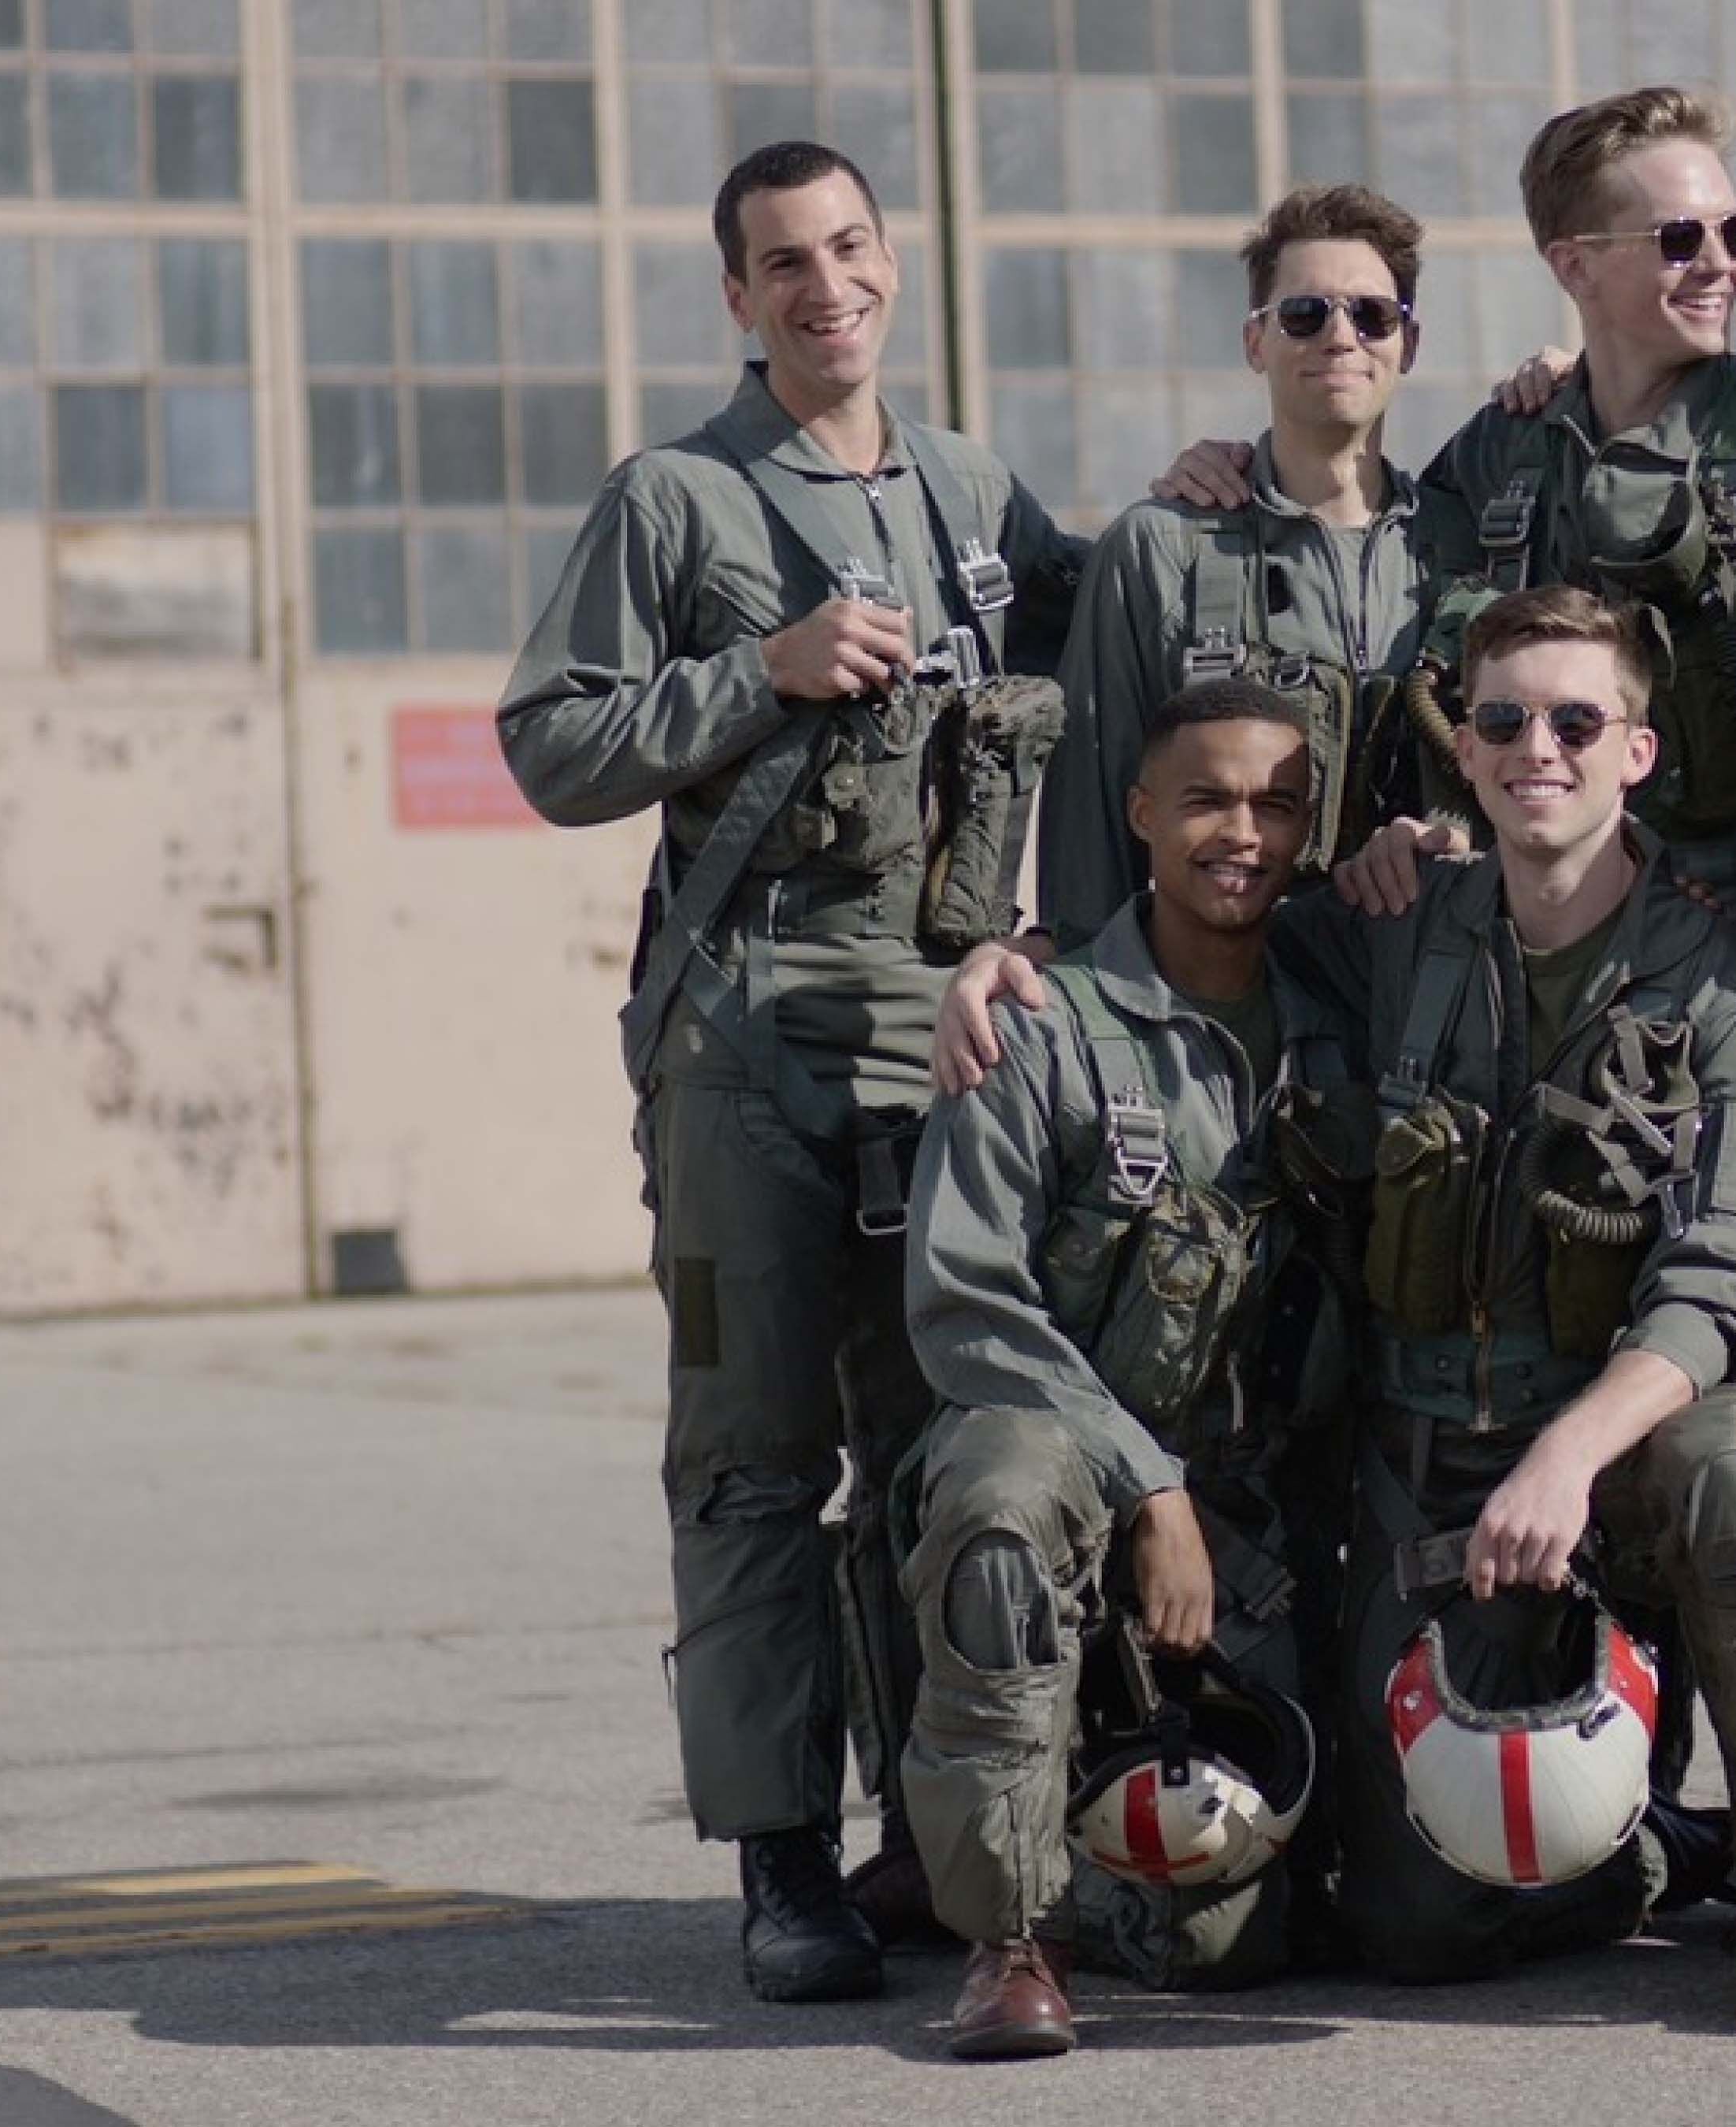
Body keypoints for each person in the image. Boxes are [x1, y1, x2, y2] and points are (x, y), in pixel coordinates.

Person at [940, 585, 1736, 2029]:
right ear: (1468, 749)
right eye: (1503, 719)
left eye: (1577, 721)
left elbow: (1729, 1278)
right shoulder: (1383, 929)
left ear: (1637, 751)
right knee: (1410, 1927)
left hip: (1610, 1470)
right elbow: (1200, 939)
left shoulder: (1727, 996)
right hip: (1425, 1474)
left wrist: (1571, 1457)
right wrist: (1024, 967)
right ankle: (1622, 1849)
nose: (1536, 749)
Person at [498, 137, 1086, 2003]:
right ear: (738, 299)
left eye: (848, 248)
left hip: (947, 1028)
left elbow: (1113, 661)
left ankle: (936, 1837)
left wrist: (1212, 492)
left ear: (889, 263)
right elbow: (551, 742)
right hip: (747, 1027)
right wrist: (764, 664)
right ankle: (780, 1856)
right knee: (757, 1460)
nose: (823, 285)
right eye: (781, 263)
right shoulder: (675, 498)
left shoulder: (979, 490)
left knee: (941, 1442)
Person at [1163, 88, 1736, 937]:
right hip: (1542, 934)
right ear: (1574, 266)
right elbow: (1366, 524)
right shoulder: (1507, 450)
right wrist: (1227, 470)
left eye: (1733, 233)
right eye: (1680, 240)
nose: (1720, 264)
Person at [900, 678, 1352, 2058]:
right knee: (997, 1498)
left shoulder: (1351, 1010)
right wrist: (1149, 1490)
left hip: (1262, 1523)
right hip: (1077, 1479)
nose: (1245, 833)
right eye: (1208, 798)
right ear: (1143, 813)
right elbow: (967, 1301)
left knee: (1231, 1947)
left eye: (1279, 805)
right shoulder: (1036, 1024)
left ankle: (1098, 1859)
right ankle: (1007, 1937)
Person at [1033, 186, 1441, 947]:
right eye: (1305, 314)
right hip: (1229, 996)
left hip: (1426, 996)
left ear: (1408, 346)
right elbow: (1092, 830)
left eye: (1373, 315)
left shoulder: (1468, 549)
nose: (1341, 337)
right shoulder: (1160, 551)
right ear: (1257, 341)